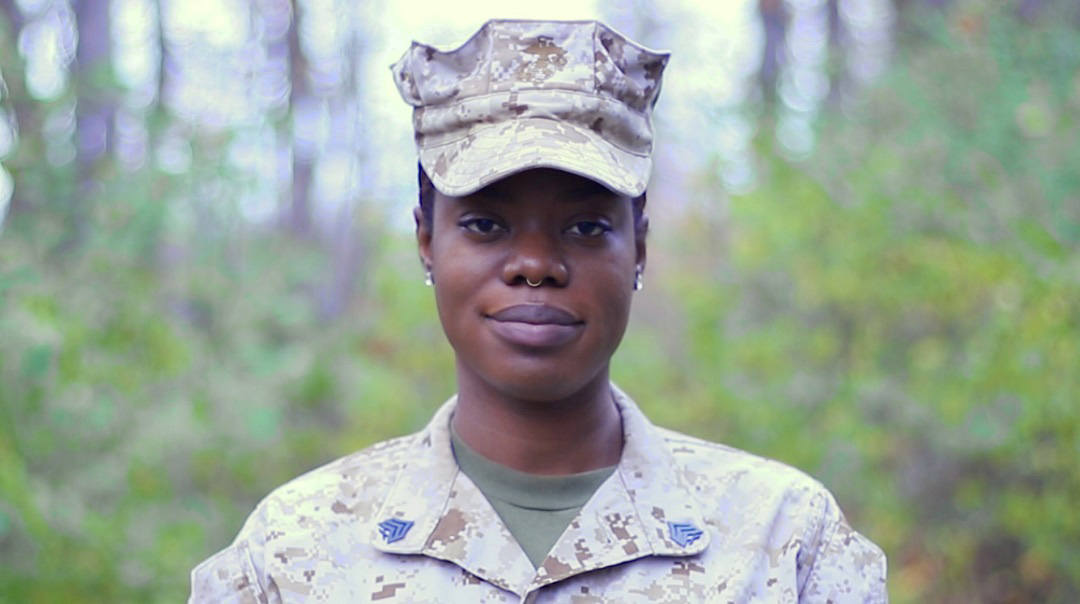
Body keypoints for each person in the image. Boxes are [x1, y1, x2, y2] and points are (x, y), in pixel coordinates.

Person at [190, 19, 887, 603]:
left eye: (585, 227)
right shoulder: (293, 551)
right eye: (487, 225)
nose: (536, 264)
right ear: (426, 241)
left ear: (639, 248)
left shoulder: (783, 540)